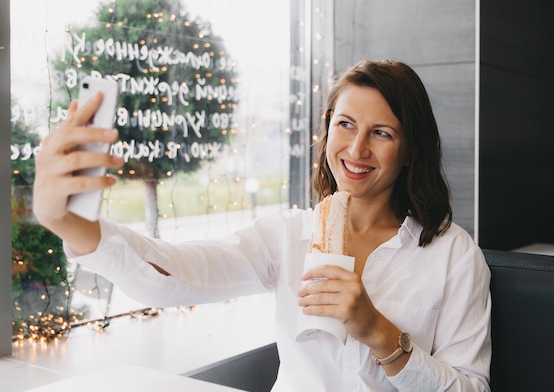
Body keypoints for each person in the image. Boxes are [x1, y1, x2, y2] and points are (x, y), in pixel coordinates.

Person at [33, 60, 491, 392]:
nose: (356, 148)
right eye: (345, 125)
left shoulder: (453, 255)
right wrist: (67, 221)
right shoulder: (288, 236)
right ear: (327, 130)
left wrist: (380, 333)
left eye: (382, 133)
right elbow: (176, 273)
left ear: (411, 149)